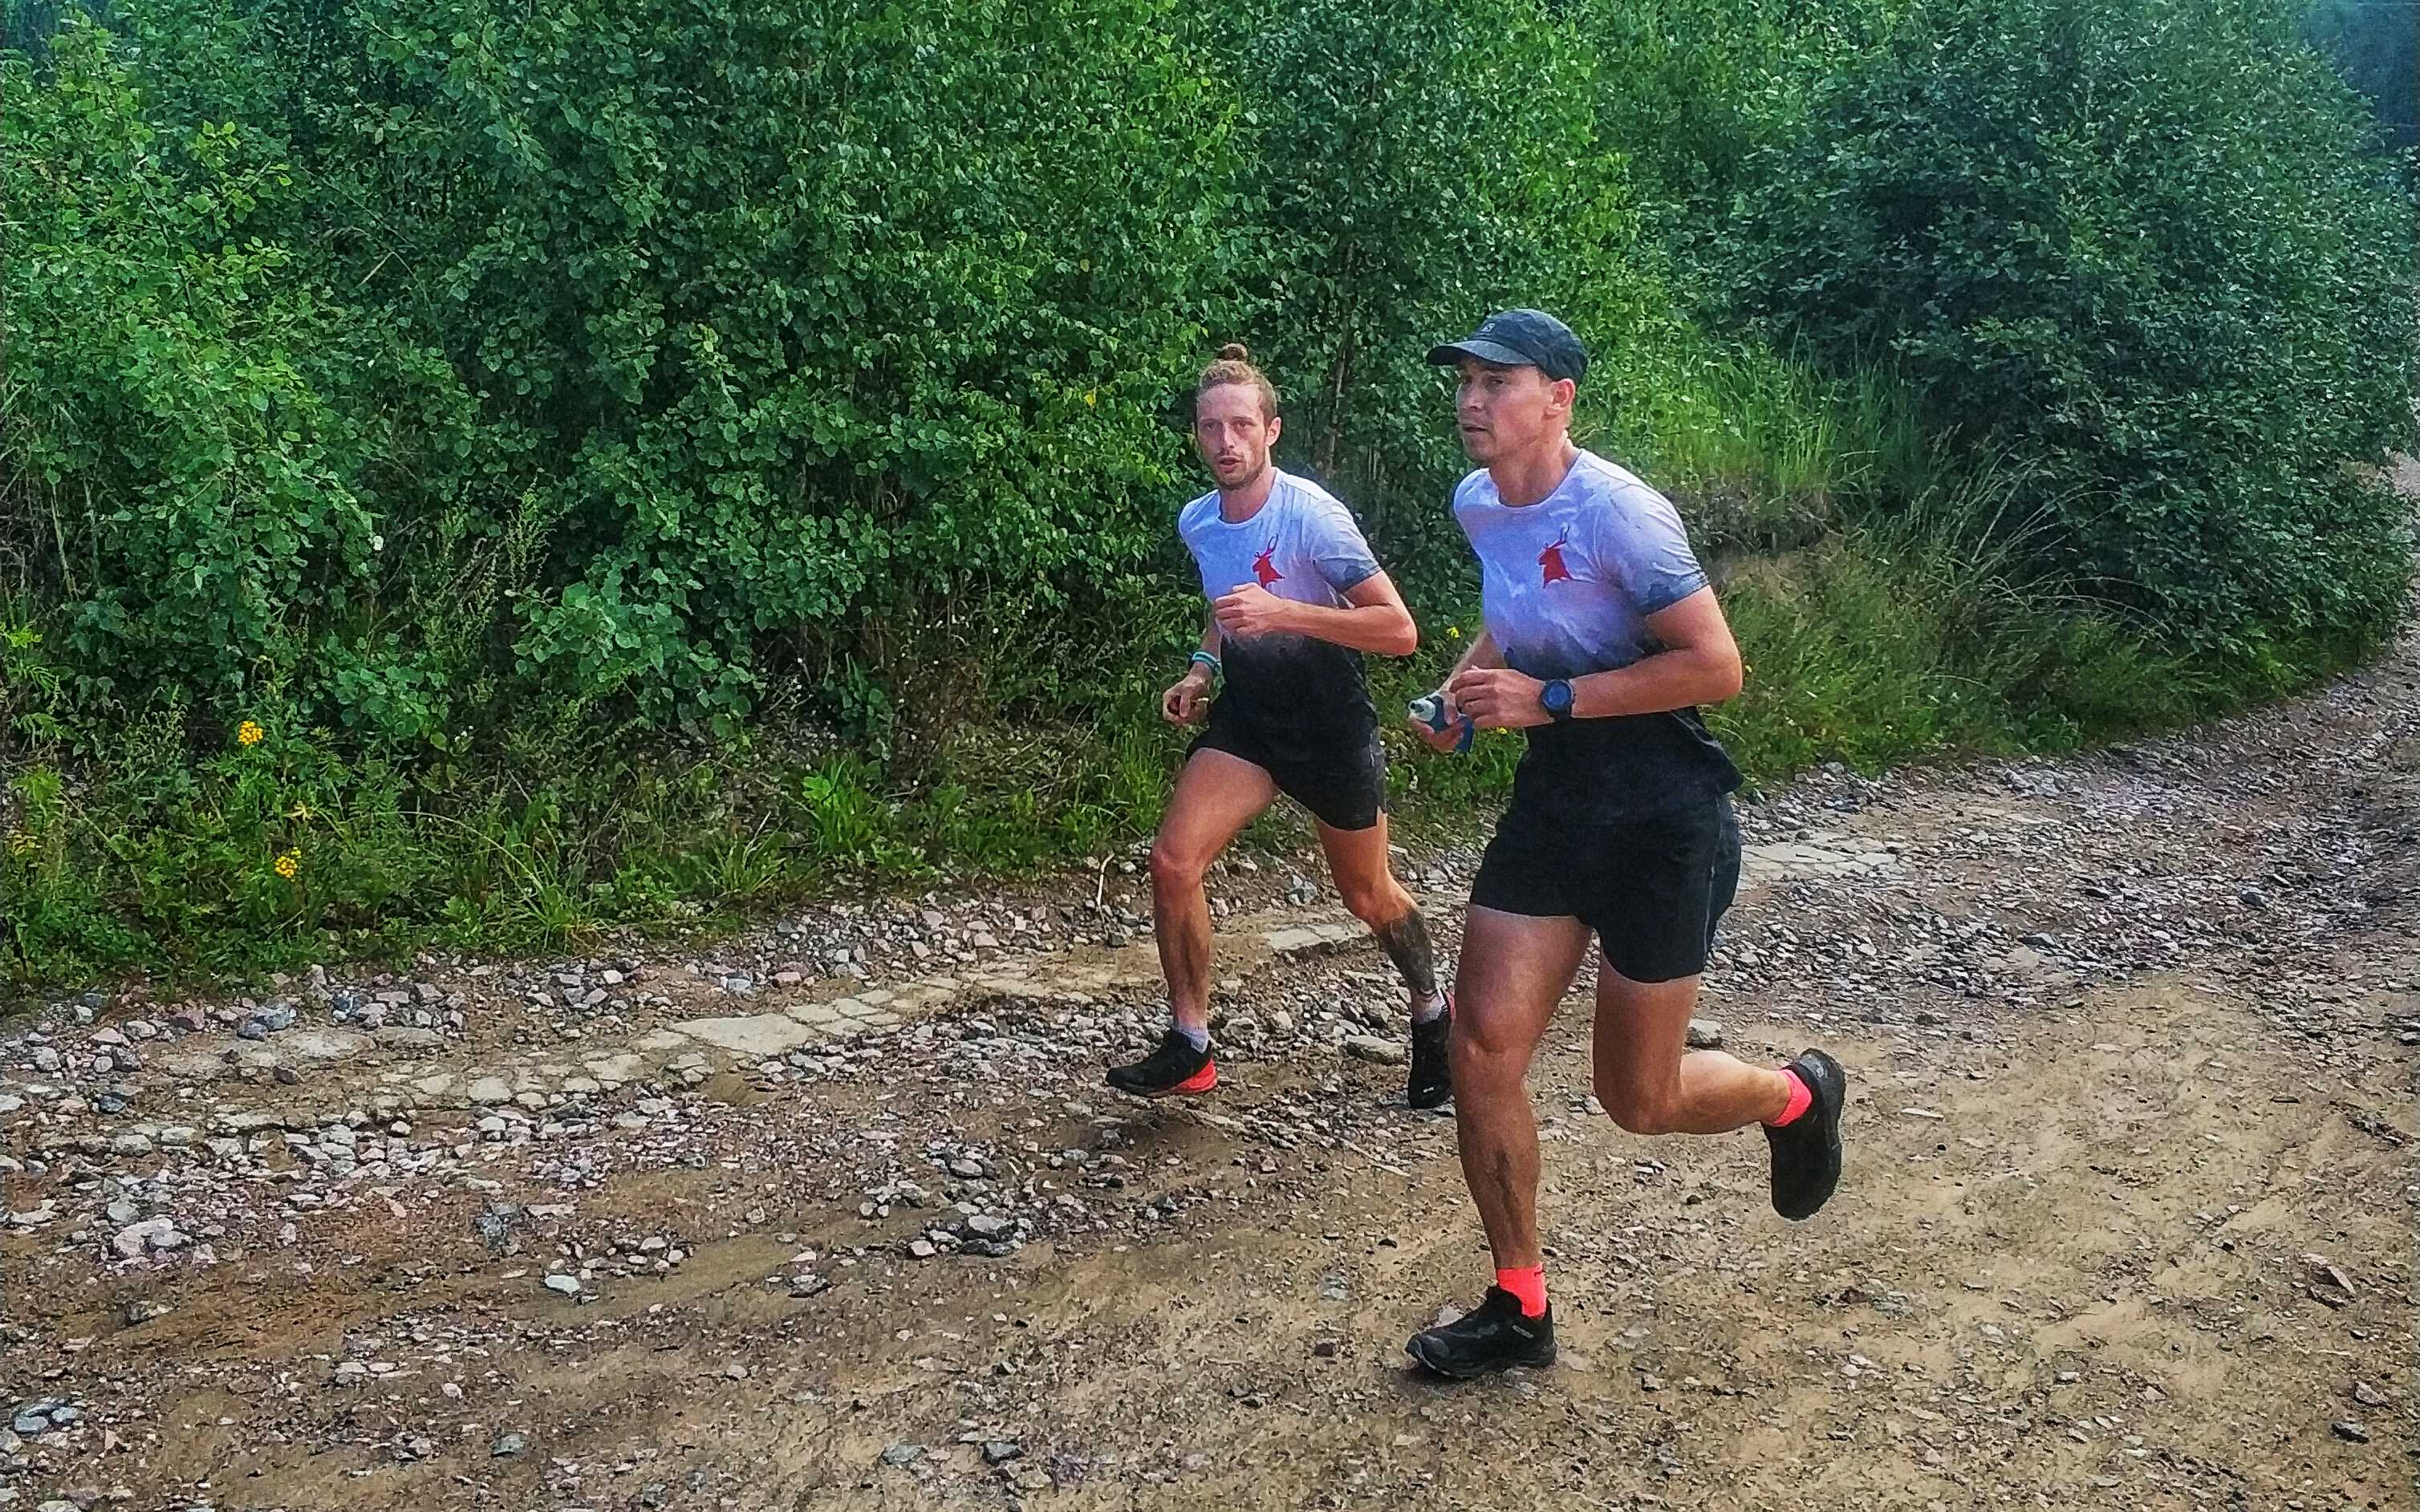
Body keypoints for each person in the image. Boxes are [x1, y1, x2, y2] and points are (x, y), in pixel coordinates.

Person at [1399, 310, 1847, 1379]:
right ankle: (1519, 1304)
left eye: (1493, 383)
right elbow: (1517, 612)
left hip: (1662, 816)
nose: (1469, 400)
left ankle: (1794, 1096)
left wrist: (1548, 697)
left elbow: (1715, 667)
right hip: (1557, 804)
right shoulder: (1477, 501)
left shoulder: (1623, 515)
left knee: (1638, 1100)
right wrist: (1464, 693)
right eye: (1462, 382)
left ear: (1557, 397)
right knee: (1480, 1047)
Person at [1106, 344, 1454, 1108]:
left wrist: (1284, 611)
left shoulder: (1312, 515)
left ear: (1271, 431)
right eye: (1210, 427)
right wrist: (1202, 668)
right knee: (1172, 861)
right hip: (1251, 725)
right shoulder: (1200, 520)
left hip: (1329, 725)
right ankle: (1190, 1043)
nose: (1225, 442)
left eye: (1240, 425)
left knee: (1369, 894)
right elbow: (1224, 609)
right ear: (1196, 435)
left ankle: (1434, 1013)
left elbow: (1398, 630)